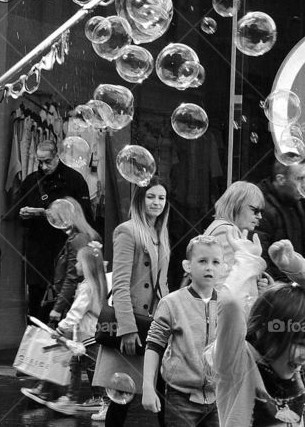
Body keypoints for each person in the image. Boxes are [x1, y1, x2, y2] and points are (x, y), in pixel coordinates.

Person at [212, 236, 305, 427]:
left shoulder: (296, 364)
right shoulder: (237, 362)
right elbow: (230, 302)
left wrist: (292, 264)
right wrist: (248, 259)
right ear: (267, 334)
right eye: (299, 344)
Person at [104, 177, 171, 426]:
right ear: (139, 200)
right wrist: (127, 329)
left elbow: (161, 285)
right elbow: (119, 285)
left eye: (161, 197)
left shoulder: (160, 233)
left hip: (157, 324)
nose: (156, 202)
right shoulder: (127, 231)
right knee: (123, 394)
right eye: (151, 196)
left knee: (163, 388)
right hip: (135, 323)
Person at [142, 235, 222, 427]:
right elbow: (154, 344)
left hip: (218, 398)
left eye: (216, 262)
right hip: (180, 398)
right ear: (187, 266)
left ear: (223, 267)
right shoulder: (171, 303)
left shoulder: (228, 304)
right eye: (202, 261)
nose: (209, 267)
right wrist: (147, 387)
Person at [12, 140, 92, 322]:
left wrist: (44, 213)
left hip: (65, 247)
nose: (43, 166)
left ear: (57, 156)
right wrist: (24, 215)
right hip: (38, 249)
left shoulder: (74, 180)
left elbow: (84, 217)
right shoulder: (32, 180)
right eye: (40, 161)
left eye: (47, 161)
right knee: (36, 300)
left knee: (65, 295)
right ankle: (34, 338)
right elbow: (17, 211)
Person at [31, 242, 108, 416]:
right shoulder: (97, 284)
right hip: (90, 335)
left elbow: (76, 313)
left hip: (87, 335)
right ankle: (96, 399)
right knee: (89, 366)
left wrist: (60, 328)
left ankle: (75, 400)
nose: (75, 265)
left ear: (87, 266)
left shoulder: (87, 287)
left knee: (85, 366)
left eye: (79, 262)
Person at [254, 161, 305, 281]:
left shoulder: (296, 203)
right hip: (277, 290)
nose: (304, 185)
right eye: (299, 179)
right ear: (281, 179)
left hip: (296, 285)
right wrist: (275, 289)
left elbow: (304, 244)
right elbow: (260, 256)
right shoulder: (261, 205)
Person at [46, 197, 102, 326]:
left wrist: (57, 308)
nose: (54, 221)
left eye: (56, 217)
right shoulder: (80, 236)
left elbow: (72, 276)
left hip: (75, 301)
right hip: (75, 300)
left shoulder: (77, 239)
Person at [203, 181, 264, 290]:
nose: (259, 216)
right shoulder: (227, 231)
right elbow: (224, 285)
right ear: (237, 205)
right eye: (255, 210)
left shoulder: (223, 227)